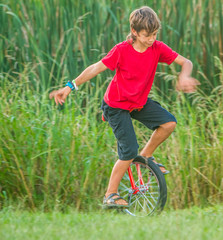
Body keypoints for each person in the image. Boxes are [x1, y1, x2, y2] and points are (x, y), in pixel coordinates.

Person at [49, 6, 199, 207]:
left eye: (154, 34)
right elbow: (96, 67)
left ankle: (145, 157)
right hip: (116, 106)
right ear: (135, 32)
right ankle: (110, 194)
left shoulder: (157, 48)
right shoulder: (121, 50)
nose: (151, 39)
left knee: (169, 123)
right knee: (128, 151)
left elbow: (186, 62)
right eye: (147, 35)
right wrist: (70, 86)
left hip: (138, 103)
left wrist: (185, 75)